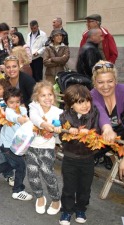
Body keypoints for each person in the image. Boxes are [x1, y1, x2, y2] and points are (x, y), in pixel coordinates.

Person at [59, 84, 100, 225]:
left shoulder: (94, 113)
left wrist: (89, 131)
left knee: (85, 186)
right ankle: (66, 210)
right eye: (79, 102)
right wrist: (69, 131)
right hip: (70, 158)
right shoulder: (64, 116)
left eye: (87, 101)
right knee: (69, 186)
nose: (85, 106)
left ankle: (81, 208)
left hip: (88, 158)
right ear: (71, 105)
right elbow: (61, 137)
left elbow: (98, 130)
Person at [0, 87, 33, 201]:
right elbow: (14, 118)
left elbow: (24, 115)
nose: (15, 104)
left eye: (17, 101)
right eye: (11, 102)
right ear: (6, 102)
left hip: (16, 144)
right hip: (7, 145)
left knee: (12, 164)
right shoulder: (8, 111)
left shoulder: (22, 109)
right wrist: (22, 120)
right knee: (20, 165)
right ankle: (17, 191)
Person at [27, 80, 63, 215]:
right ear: (37, 97)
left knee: (47, 173)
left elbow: (61, 125)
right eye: (43, 95)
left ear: (54, 96)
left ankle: (55, 199)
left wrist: (59, 128)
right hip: (32, 146)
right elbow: (34, 118)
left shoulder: (58, 112)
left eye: (50, 95)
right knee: (32, 174)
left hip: (47, 148)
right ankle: (39, 197)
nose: (47, 98)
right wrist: (44, 124)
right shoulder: (34, 107)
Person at [90, 60, 124, 180]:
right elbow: (100, 112)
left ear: (115, 81)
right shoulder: (92, 95)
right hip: (100, 137)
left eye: (110, 81)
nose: (105, 86)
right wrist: (107, 128)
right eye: (100, 82)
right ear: (94, 83)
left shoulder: (122, 90)